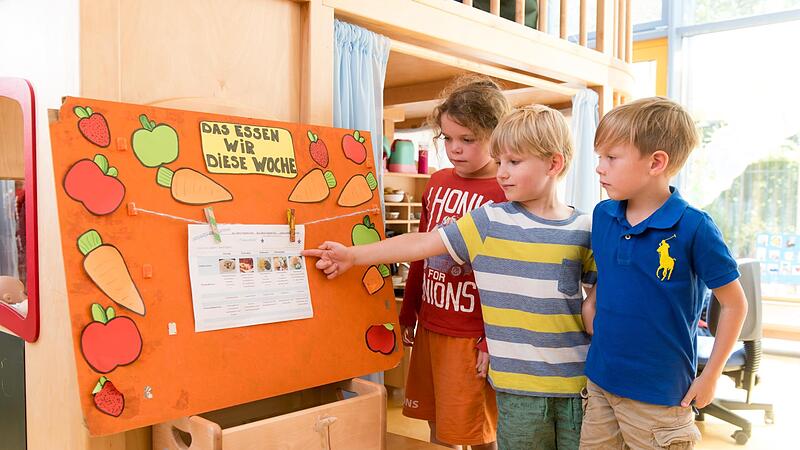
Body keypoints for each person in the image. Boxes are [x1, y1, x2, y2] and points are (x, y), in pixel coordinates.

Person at [304, 105, 596, 450]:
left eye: (513, 163)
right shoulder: (489, 221)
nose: (502, 173)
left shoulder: (587, 227)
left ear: (553, 163)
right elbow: (422, 242)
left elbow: (599, 303)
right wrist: (353, 256)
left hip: (578, 385)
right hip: (517, 388)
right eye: (499, 162)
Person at [580, 97, 748, 449]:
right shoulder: (602, 215)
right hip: (601, 382)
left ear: (656, 162)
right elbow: (610, 273)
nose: (600, 168)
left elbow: (735, 305)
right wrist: (591, 305)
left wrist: (711, 376)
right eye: (599, 158)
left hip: (659, 397)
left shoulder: (694, 227)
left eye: (611, 157)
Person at [401, 74, 509, 449]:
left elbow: (508, 278)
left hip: (471, 334)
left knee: (476, 430)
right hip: (432, 325)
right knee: (437, 426)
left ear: (496, 138)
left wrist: (490, 338)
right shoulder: (436, 182)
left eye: (468, 140)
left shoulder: (506, 191)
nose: (455, 149)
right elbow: (419, 251)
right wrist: (409, 310)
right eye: (447, 138)